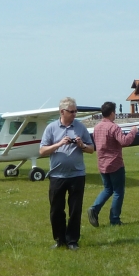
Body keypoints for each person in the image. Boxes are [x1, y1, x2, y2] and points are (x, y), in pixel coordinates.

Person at [40, 97, 95, 249]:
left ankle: (72, 241)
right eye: (71, 111)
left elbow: (91, 149)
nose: (74, 114)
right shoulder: (51, 128)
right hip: (57, 176)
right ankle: (60, 240)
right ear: (62, 112)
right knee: (56, 210)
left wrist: (81, 145)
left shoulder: (80, 127)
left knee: (75, 210)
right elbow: (42, 150)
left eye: (76, 111)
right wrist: (59, 144)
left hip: (77, 175)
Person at [88, 102, 139, 227]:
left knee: (107, 189)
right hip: (115, 164)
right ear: (111, 113)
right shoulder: (113, 127)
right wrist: (133, 132)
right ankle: (114, 219)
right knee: (118, 192)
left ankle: (94, 209)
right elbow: (124, 141)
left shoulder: (97, 127)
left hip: (102, 164)